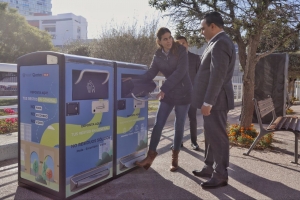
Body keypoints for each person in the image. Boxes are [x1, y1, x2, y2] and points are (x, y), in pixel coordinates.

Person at [133, 27, 192, 172]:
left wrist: (164, 88)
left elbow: (180, 72)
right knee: (159, 123)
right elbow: (150, 73)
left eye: (170, 37)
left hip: (184, 92)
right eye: (165, 39)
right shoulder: (157, 55)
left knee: (179, 126)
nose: (169, 41)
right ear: (159, 41)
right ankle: (150, 157)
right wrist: (132, 80)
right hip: (169, 93)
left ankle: (175, 159)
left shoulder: (180, 50)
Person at [191, 12, 236, 189]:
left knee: (217, 137)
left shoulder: (221, 43)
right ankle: (209, 167)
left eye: (203, 28)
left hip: (216, 101)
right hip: (214, 99)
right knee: (210, 134)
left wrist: (208, 102)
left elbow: (218, 75)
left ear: (213, 26)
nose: (202, 32)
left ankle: (220, 174)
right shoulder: (216, 43)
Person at [171, 36, 201, 150]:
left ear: (187, 44)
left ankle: (194, 142)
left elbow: (200, 77)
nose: (182, 45)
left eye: (184, 43)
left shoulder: (195, 58)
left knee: (192, 118)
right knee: (179, 119)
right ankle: (178, 142)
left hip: (192, 94)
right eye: (179, 44)